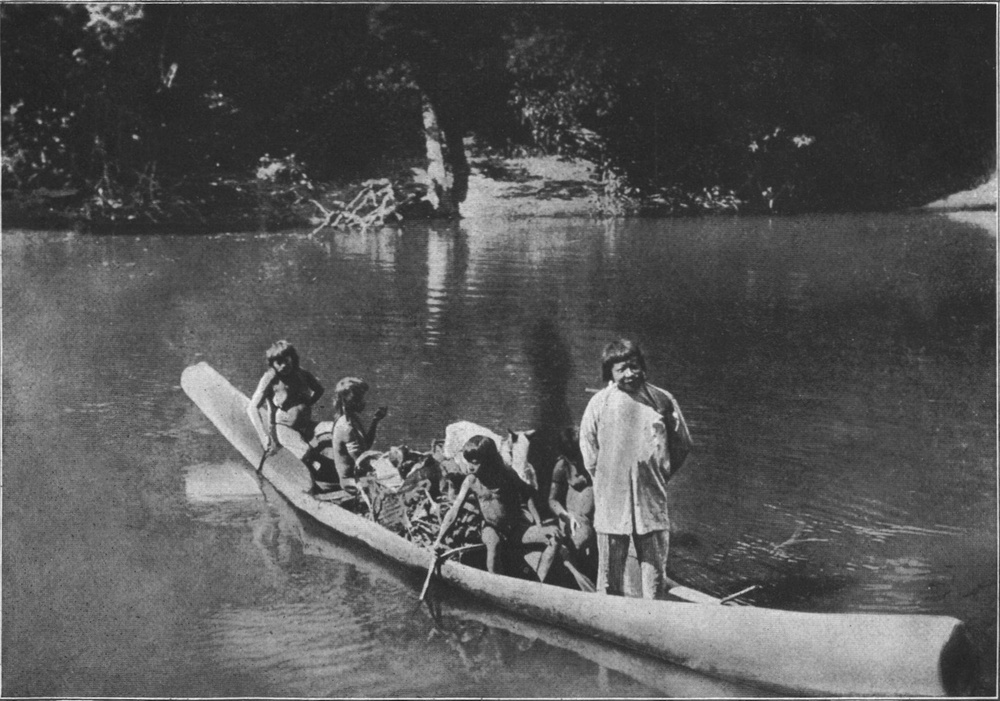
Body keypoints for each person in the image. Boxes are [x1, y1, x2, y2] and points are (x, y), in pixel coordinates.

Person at [579, 339, 693, 599]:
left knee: (653, 573)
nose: (629, 374)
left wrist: (660, 473)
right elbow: (588, 449)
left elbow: (683, 443)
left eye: (633, 366)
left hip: (650, 495)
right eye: (621, 370)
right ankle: (607, 617)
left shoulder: (662, 400)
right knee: (609, 574)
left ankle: (652, 616)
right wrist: (606, 480)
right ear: (610, 374)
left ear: (643, 367)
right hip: (612, 497)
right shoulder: (600, 403)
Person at [433, 435, 562, 582]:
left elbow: (526, 492)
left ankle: (539, 584)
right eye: (468, 462)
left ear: (489, 460)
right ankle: (496, 584)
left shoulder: (506, 474)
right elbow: (454, 511)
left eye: (475, 462)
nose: (470, 467)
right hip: (491, 527)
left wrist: (538, 523)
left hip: (516, 529)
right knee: (494, 543)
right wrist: (439, 539)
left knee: (554, 537)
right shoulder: (471, 481)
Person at [248, 340, 328, 464]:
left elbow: (319, 390)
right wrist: (264, 437)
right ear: (272, 364)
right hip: (283, 428)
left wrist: (306, 405)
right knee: (306, 453)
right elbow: (252, 407)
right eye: (279, 362)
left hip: (306, 426)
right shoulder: (270, 378)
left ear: (293, 358)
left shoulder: (301, 373)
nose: (284, 365)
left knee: (331, 432)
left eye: (287, 360)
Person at [548, 427, 596, 573]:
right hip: (573, 519)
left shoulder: (596, 460)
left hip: (595, 519)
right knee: (578, 541)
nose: (575, 461)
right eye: (571, 458)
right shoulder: (562, 466)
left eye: (577, 456)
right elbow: (552, 500)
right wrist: (565, 515)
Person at [330, 376, 388, 485]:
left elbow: (365, 445)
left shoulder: (352, 418)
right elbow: (361, 462)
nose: (363, 402)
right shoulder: (346, 427)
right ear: (348, 401)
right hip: (350, 481)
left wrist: (375, 420)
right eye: (359, 398)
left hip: (359, 475)